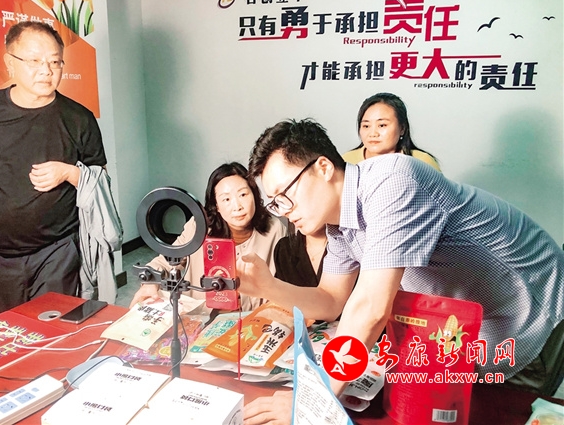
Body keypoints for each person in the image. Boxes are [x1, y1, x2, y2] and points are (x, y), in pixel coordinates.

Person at [238, 119, 564, 424]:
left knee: (498, 414)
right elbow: (331, 299)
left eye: (285, 194)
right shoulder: (338, 224)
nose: (283, 211)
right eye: (274, 203)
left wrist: (311, 400)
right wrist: (267, 287)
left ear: (323, 167)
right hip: (460, 333)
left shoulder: (394, 182)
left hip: (528, 320)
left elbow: (371, 308)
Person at [0, 21, 107, 314]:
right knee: (11, 327)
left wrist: (68, 172)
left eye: (55, 62)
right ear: (10, 63)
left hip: (57, 249)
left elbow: (100, 177)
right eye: (34, 61)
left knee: (56, 325)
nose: (46, 70)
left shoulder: (78, 118)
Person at [130, 162, 286, 312]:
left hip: (252, 319)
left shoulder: (275, 229)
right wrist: (149, 283)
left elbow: (285, 282)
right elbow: (165, 261)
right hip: (202, 317)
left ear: (254, 195)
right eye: (226, 199)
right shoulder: (199, 226)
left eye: (243, 194)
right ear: (216, 205)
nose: (237, 206)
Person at [343, 92, 440, 171]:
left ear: (402, 128)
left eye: (382, 125)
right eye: (366, 126)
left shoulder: (422, 162)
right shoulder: (346, 161)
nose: (373, 134)